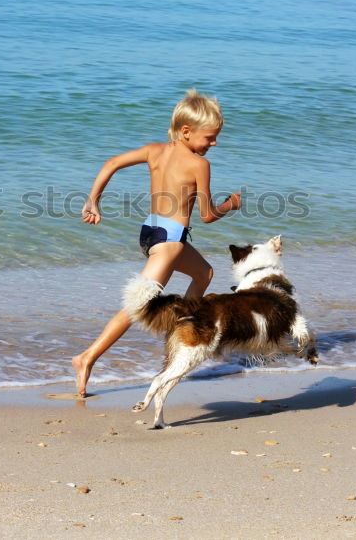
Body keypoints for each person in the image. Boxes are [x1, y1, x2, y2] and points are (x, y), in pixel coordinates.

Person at [72, 89, 242, 397]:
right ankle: (87, 358)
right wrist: (230, 205)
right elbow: (206, 216)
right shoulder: (199, 165)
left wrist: (92, 201)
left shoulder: (154, 151)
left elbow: (111, 163)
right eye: (210, 137)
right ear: (186, 131)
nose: (214, 144)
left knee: (204, 273)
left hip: (152, 233)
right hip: (170, 243)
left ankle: (180, 333)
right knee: (137, 307)